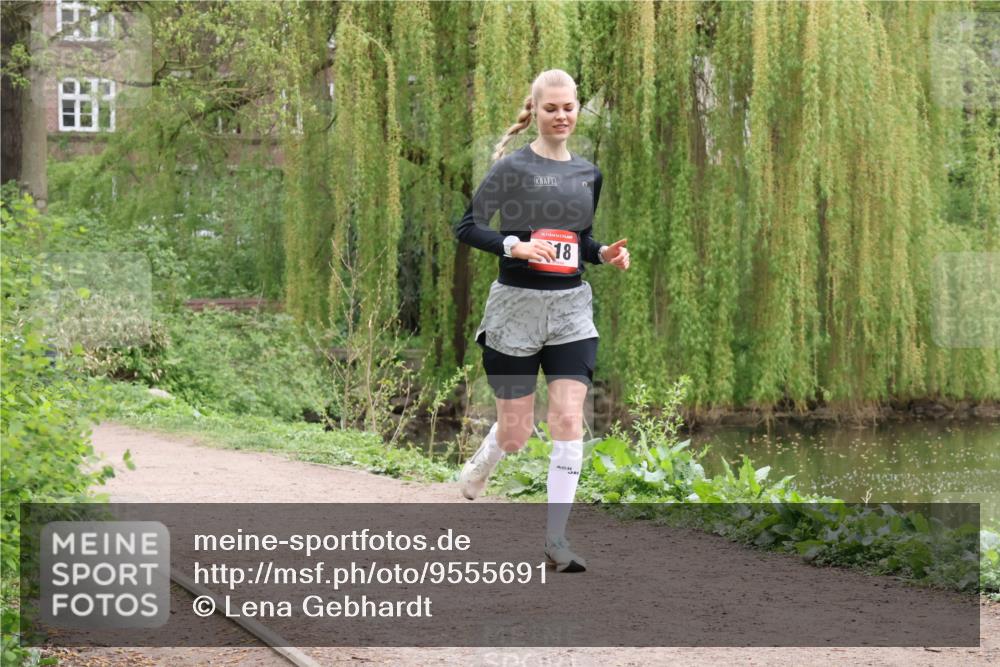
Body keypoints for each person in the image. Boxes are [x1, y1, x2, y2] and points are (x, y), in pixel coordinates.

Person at [453, 69, 630, 573]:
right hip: (515, 308)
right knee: (516, 433)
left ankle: (556, 539)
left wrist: (604, 254)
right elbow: (466, 227)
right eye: (551, 108)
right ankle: (486, 461)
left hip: (571, 309)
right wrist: (515, 244)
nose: (562, 116)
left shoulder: (588, 174)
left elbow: (578, 242)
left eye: (569, 107)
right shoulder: (512, 168)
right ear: (536, 110)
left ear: (578, 109)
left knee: (569, 419)